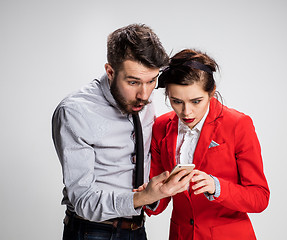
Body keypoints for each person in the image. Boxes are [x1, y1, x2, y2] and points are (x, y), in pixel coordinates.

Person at [52, 24, 193, 240]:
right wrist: (143, 197)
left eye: (152, 81)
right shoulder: (75, 112)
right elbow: (83, 201)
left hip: (137, 228)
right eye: (133, 82)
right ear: (110, 71)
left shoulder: (144, 99)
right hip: (92, 231)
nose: (144, 94)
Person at [146, 49, 270, 239]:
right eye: (176, 101)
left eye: (196, 101)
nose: (186, 112)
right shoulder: (161, 127)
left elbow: (259, 197)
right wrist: (150, 196)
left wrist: (216, 186)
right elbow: (159, 199)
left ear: (211, 92)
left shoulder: (238, 125)